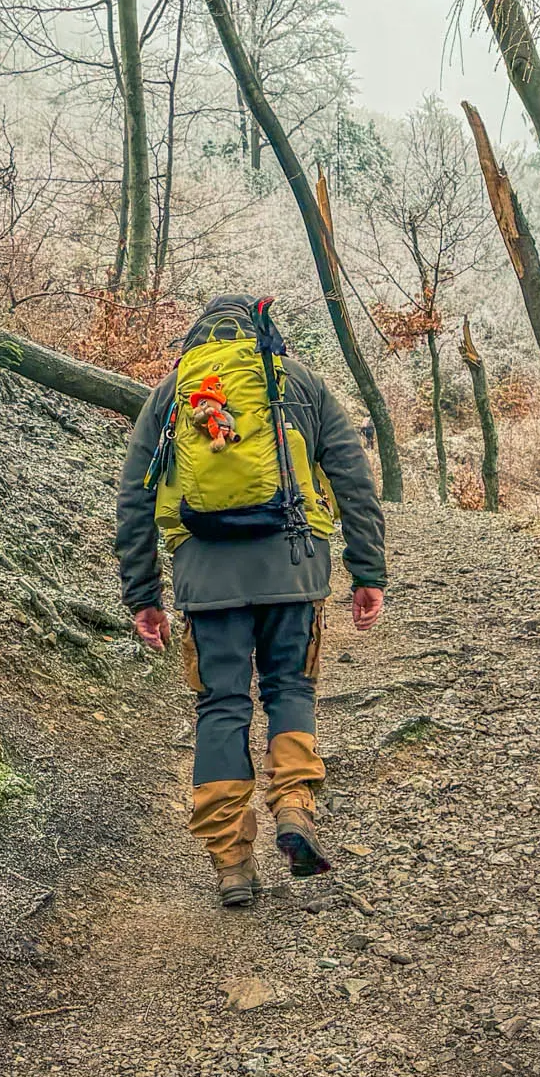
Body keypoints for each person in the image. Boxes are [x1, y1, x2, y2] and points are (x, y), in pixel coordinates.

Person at [116, 295, 387, 907]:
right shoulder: (300, 384)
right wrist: (367, 570)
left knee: (221, 706)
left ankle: (232, 861)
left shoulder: (171, 397)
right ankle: (294, 807)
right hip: (294, 567)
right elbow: (352, 478)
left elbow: (135, 500)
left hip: (205, 580)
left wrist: (144, 594)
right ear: (264, 336)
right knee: (290, 688)